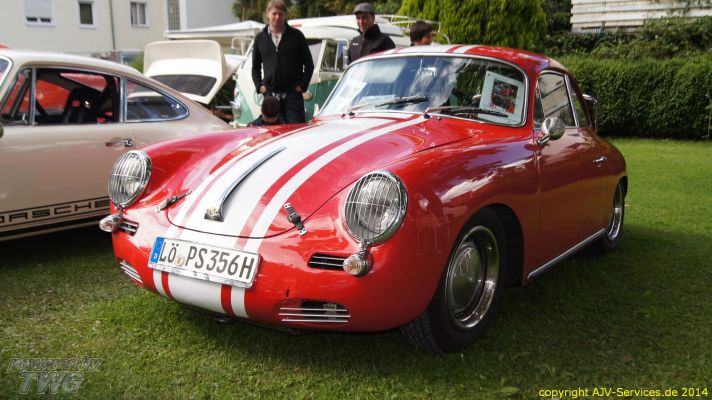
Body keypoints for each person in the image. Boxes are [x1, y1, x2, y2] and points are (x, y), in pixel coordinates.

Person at [251, 0, 314, 123]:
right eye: (274, 13)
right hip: (270, 96)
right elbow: (255, 67)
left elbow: (309, 64)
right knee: (272, 132)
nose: (277, 17)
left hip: (293, 95)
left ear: (285, 15)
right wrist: (260, 87)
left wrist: (301, 86)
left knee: (295, 131)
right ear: (268, 14)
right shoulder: (260, 38)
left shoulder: (297, 36)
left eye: (280, 14)